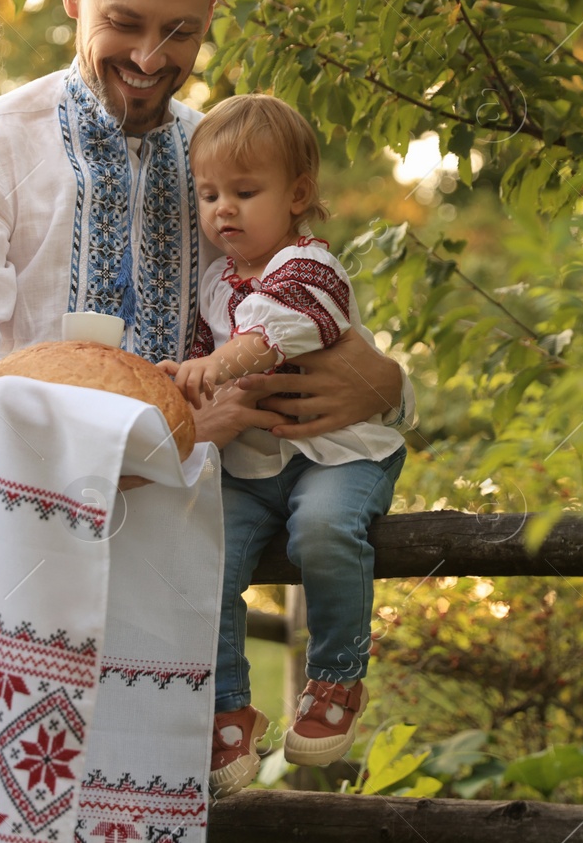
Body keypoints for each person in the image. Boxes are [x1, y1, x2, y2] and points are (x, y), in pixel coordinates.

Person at [0, 0, 411, 453]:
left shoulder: (230, 166)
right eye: (123, 24)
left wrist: (391, 386)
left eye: (179, 31)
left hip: (218, 536)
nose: (148, 58)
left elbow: (307, 302)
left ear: (212, 9)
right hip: (45, 528)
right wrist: (171, 436)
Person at [158, 94, 405, 795]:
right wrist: (186, 377)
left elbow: (275, 329)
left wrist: (219, 365)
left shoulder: (310, 267)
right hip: (258, 466)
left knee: (324, 530)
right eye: (208, 194)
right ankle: (227, 706)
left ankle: (335, 679)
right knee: (201, 555)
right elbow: (210, 353)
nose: (222, 210)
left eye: (244, 191)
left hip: (339, 454)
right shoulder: (214, 281)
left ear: (298, 195)